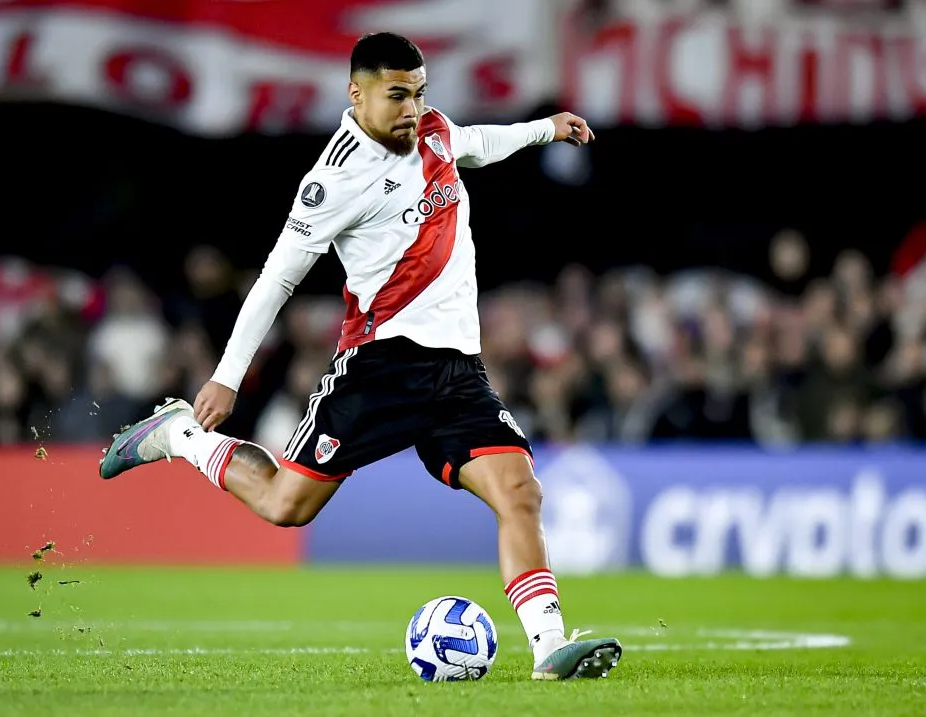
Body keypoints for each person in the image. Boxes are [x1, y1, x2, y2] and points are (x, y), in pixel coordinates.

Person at [100, 31, 621, 681]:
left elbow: (475, 146)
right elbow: (274, 281)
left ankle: (549, 648)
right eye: (396, 94)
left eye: (419, 92)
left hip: (458, 373)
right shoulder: (332, 181)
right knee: (285, 505)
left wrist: (544, 129)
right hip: (379, 368)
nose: (412, 107)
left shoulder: (432, 129)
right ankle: (178, 434)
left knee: (520, 490)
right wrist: (226, 377)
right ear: (358, 93)